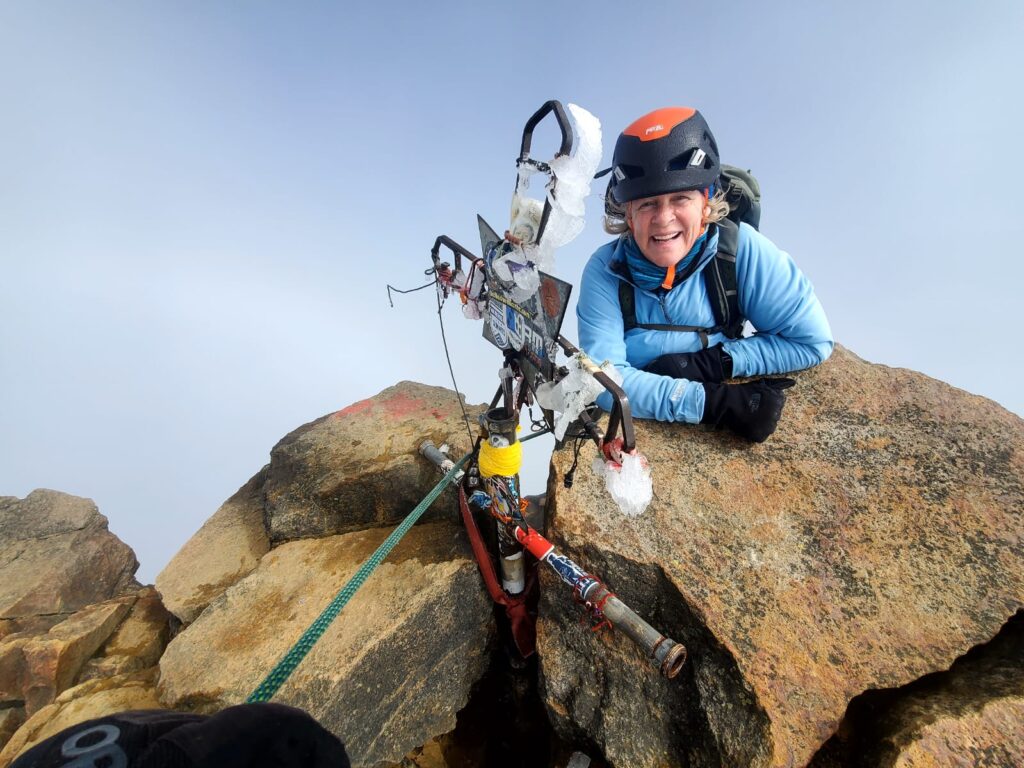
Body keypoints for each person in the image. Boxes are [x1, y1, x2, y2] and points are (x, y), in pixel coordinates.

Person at [577, 107, 833, 442]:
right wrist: (712, 402)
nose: (664, 218)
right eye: (647, 204)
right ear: (628, 212)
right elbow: (604, 382)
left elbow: (811, 342)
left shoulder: (741, 252)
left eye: (680, 198)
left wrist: (715, 363)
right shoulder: (605, 270)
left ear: (706, 200)